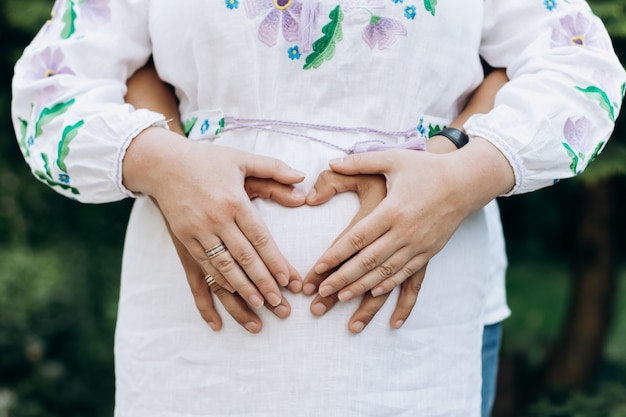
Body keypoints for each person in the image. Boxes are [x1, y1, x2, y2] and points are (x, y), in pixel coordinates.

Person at [11, 0, 624, 416]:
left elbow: (576, 63)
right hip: (195, 335)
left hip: (417, 332)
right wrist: (160, 161)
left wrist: (460, 169)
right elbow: (52, 85)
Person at [124, 62, 509, 416]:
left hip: (425, 328)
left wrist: (444, 158)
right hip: (194, 330)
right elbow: (97, 66)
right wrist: (168, 164)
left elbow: (551, 55)